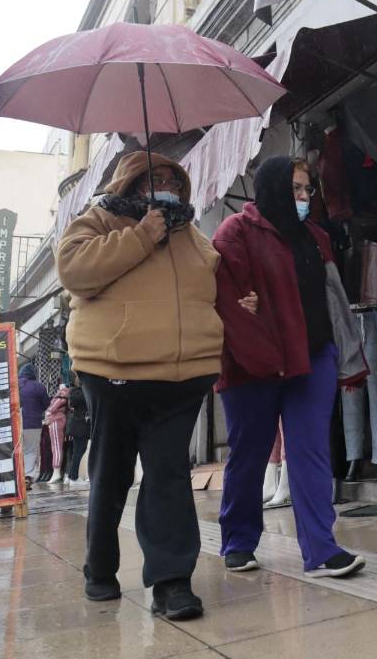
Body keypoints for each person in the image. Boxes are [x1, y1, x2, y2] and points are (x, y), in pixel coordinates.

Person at [57, 151, 224, 621]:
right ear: (131, 182)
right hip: (114, 374)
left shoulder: (191, 232)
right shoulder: (99, 219)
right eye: (158, 176)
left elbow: (212, 279)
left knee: (169, 475)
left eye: (175, 178)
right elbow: (74, 271)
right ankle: (100, 569)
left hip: (181, 375)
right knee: (110, 472)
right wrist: (142, 234)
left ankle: (172, 582)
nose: (169, 184)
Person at [213, 156, 369, 579]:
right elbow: (229, 302)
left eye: (307, 190)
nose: (303, 198)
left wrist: (342, 352)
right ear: (272, 188)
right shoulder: (235, 233)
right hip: (252, 363)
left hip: (311, 357)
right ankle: (239, 542)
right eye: (295, 189)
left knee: (310, 450)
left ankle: (321, 549)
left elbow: (331, 297)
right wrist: (256, 320)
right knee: (249, 453)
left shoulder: (315, 236)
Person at [18, 364, 49, 488]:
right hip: (32, 424)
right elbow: (47, 404)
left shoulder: (13, 385)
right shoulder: (38, 387)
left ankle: (16, 477)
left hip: (15, 424)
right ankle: (27, 477)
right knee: (30, 451)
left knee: (17, 451)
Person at [65, 376, 91, 487]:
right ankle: (73, 478)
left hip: (76, 425)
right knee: (79, 451)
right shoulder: (83, 393)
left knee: (76, 451)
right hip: (81, 426)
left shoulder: (73, 393)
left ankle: (70, 475)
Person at [44, 385, 70, 484]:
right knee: (57, 447)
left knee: (56, 447)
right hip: (59, 419)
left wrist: (47, 416)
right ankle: (57, 472)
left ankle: (56, 472)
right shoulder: (65, 393)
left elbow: (52, 408)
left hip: (56, 420)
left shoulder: (63, 392)